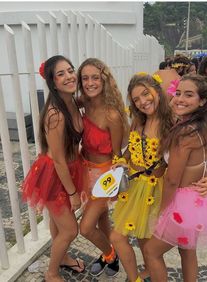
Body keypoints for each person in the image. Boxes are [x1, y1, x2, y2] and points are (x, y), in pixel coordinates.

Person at [110, 73, 207, 282]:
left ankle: (150, 271)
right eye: (136, 99)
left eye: (145, 94)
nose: (142, 102)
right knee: (138, 236)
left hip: (160, 191)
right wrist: (121, 162)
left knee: (164, 246)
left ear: (157, 91)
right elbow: (130, 151)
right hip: (134, 188)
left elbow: (199, 157)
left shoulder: (175, 123)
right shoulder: (138, 122)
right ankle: (145, 273)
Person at [144, 75, 207, 282]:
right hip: (198, 202)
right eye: (178, 93)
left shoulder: (184, 133)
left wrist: (162, 212)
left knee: (151, 252)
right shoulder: (203, 125)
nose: (180, 99)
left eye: (189, 95)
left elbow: (172, 180)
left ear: (202, 101)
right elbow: (206, 162)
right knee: (187, 250)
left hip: (181, 205)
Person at [22, 55, 84, 282]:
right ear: (52, 82)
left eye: (70, 70)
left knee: (59, 222)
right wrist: (73, 193)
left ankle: (64, 257)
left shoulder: (74, 102)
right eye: (61, 74)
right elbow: (58, 160)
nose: (69, 76)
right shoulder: (55, 114)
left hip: (69, 170)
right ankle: (51, 273)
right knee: (70, 230)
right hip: (54, 174)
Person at [76, 58, 129, 277]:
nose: (90, 83)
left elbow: (117, 155)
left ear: (103, 79)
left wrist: (114, 183)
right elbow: (60, 101)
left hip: (103, 176)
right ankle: (110, 252)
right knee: (101, 218)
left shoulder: (112, 115)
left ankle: (110, 254)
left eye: (95, 77)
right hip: (83, 170)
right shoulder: (82, 103)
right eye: (85, 78)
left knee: (86, 228)